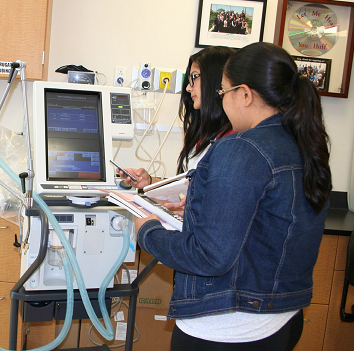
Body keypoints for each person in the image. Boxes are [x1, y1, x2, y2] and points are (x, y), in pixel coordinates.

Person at [135, 42, 332, 350]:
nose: (221, 102)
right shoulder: (301, 143)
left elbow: (208, 256)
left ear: (245, 94)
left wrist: (147, 232)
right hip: (282, 318)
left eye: (223, 93)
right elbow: (266, 225)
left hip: (227, 329)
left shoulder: (241, 148)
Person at [117, 46, 235, 190]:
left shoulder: (232, 143)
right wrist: (150, 182)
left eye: (194, 77)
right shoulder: (204, 135)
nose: (188, 88)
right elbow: (190, 189)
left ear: (216, 79)